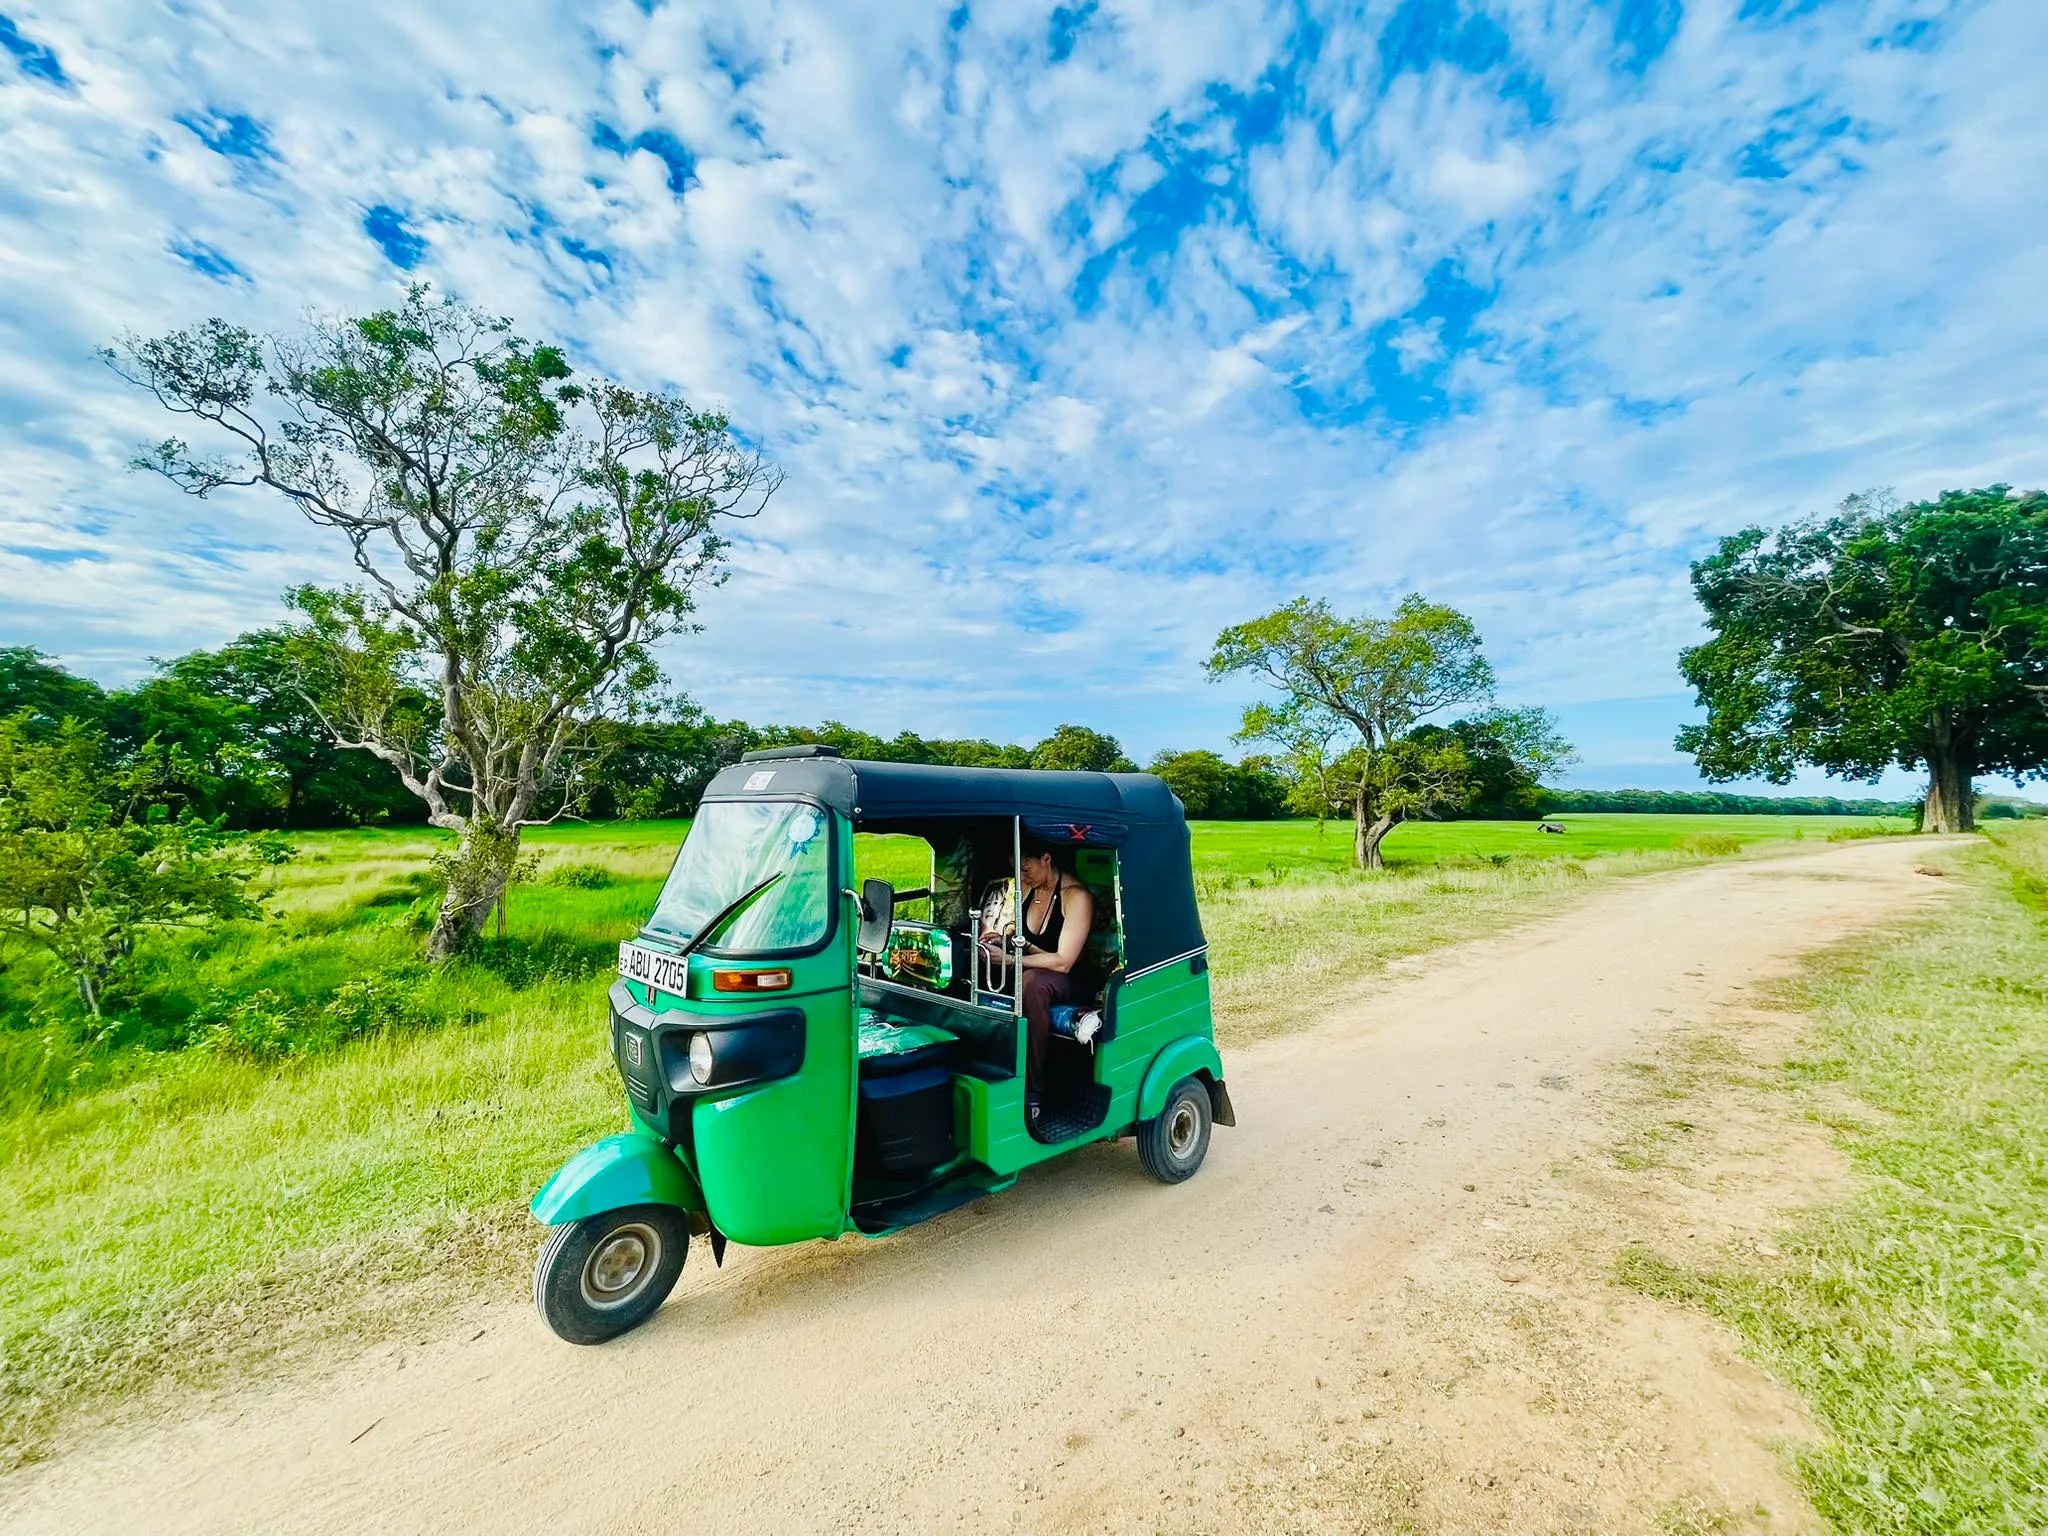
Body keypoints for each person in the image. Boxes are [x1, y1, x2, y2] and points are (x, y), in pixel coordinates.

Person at [981, 837, 1093, 1120]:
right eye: (1016, 869)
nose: (1021, 876)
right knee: (979, 965)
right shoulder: (1028, 888)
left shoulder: (1075, 896)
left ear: (1046, 859)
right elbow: (1029, 943)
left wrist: (1011, 959)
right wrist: (1002, 940)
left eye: (1026, 868)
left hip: (1070, 980)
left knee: (1031, 983)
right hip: (1038, 967)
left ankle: (1033, 1089)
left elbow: (1064, 961)